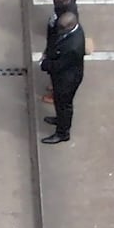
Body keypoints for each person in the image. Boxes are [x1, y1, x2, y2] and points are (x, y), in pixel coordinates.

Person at [41, 10, 86, 145]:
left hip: (68, 80)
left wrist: (45, 64)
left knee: (64, 105)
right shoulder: (71, 33)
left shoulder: (73, 46)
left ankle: (62, 133)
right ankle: (59, 119)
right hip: (62, 76)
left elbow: (60, 64)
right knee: (59, 103)